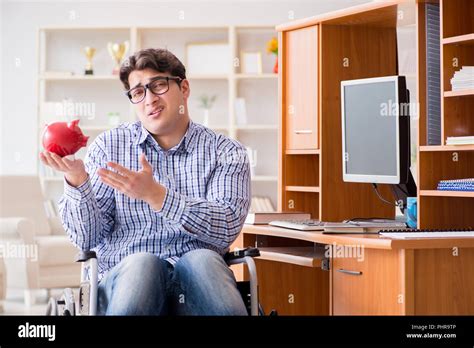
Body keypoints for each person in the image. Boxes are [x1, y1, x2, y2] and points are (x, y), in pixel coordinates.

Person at [39, 48, 251, 315]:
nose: (149, 99)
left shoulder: (227, 151)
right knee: (143, 265)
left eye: (158, 85)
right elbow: (86, 239)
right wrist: (78, 182)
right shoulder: (109, 147)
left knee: (202, 261)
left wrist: (158, 196)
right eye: (138, 92)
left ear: (183, 87)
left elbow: (226, 226)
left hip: (199, 283)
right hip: (127, 279)